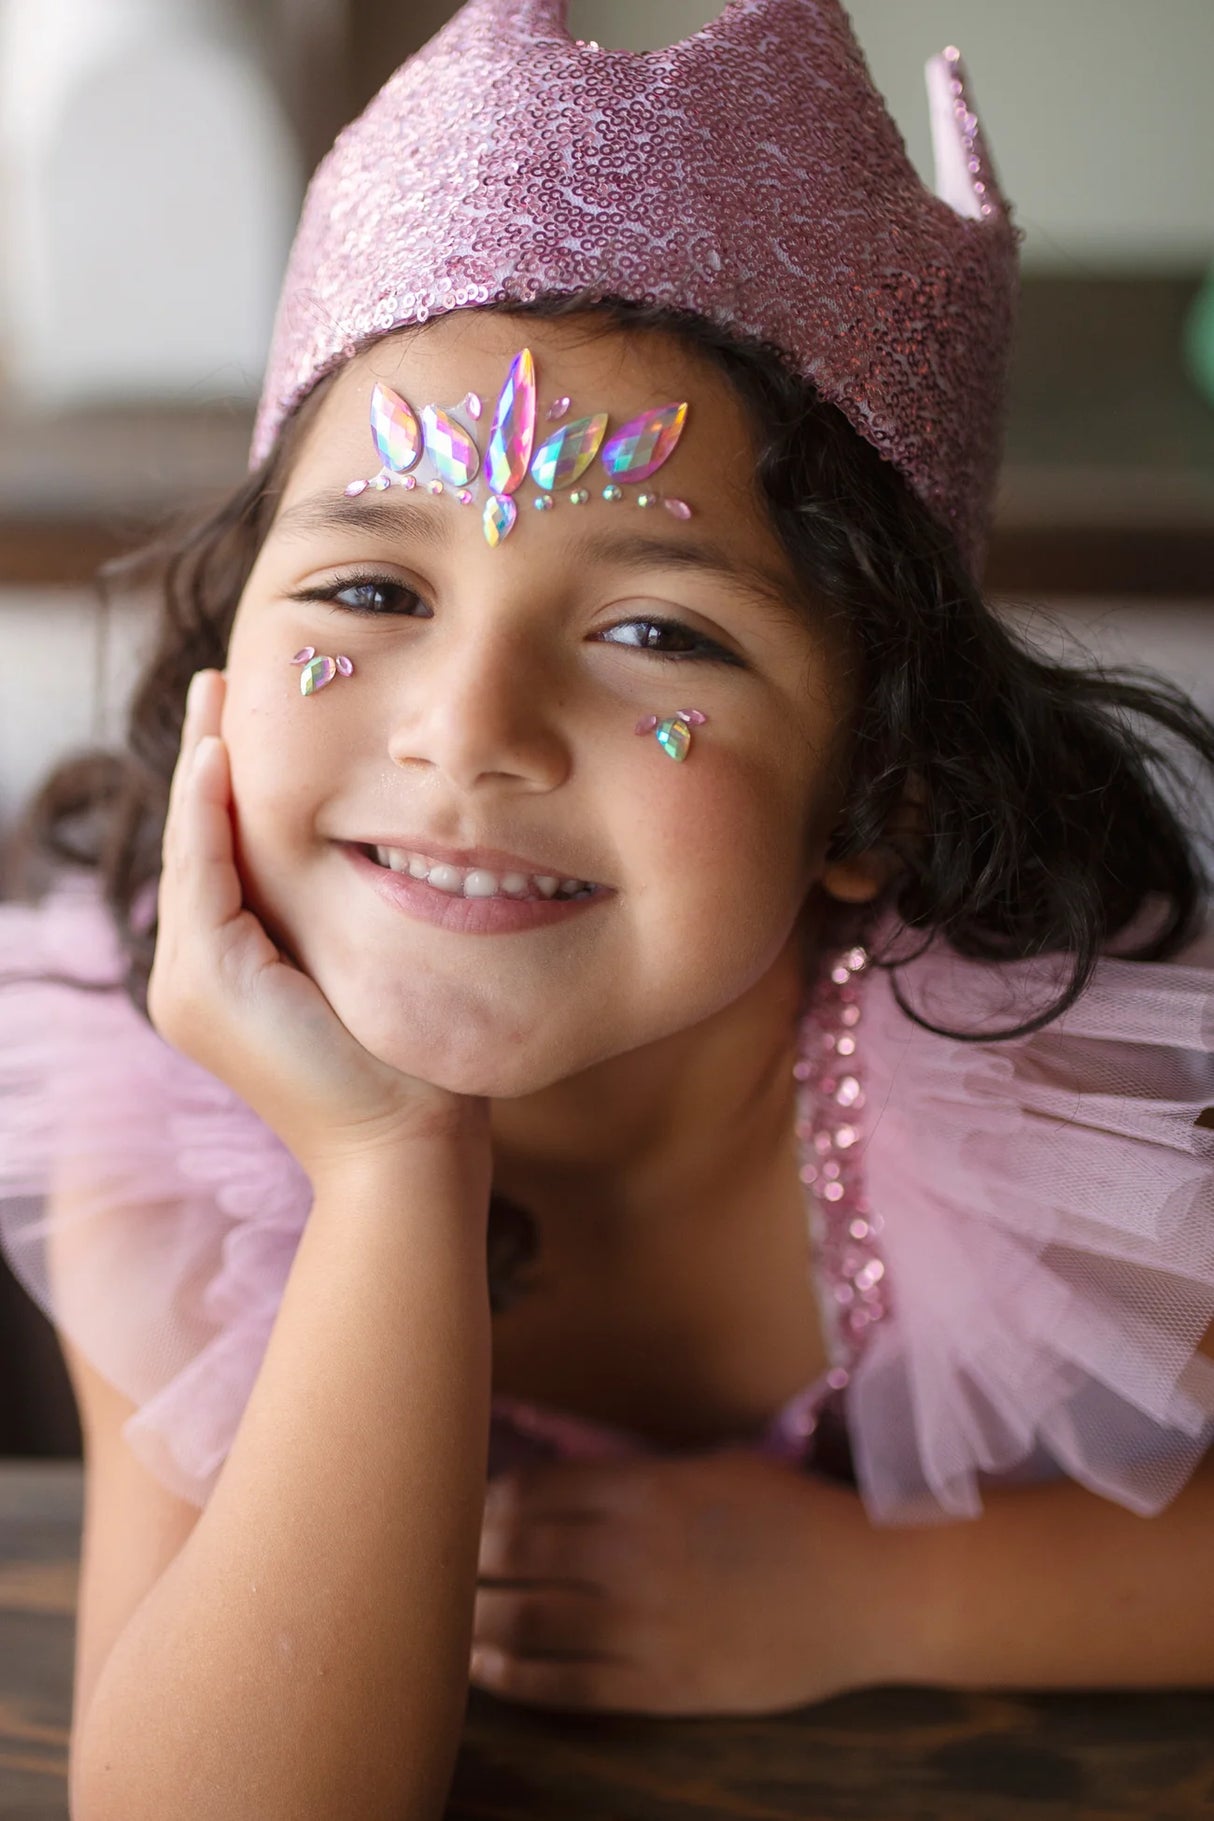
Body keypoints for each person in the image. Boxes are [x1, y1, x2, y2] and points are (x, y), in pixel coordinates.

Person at [2, 1, 1213, 1815]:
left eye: (657, 629)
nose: (468, 733)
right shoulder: (155, 1133)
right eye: (367, 589)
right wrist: (395, 1167)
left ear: (876, 786)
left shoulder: (1051, 1103)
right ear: (216, 681)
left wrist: (883, 1599)